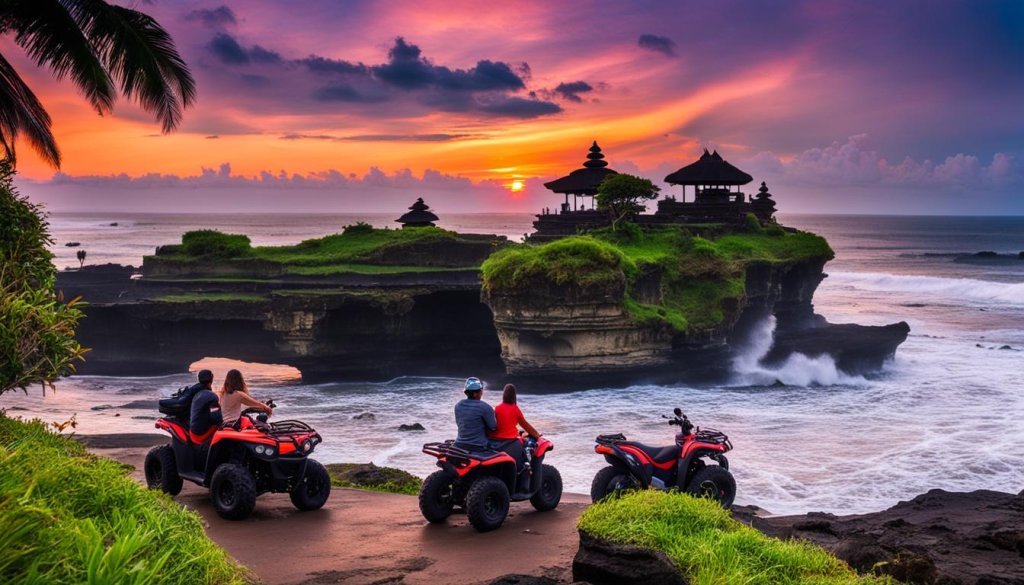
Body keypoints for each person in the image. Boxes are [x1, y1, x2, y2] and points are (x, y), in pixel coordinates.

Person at [489, 384, 540, 466]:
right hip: (511, 441)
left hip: (496, 441)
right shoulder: (515, 409)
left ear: (504, 395)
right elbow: (525, 425)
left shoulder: (497, 408)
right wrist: (537, 435)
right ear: (514, 396)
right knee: (528, 448)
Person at [454, 377, 496, 451]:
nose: (482, 392)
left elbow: (460, 424)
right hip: (479, 445)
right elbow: (493, 427)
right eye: (481, 390)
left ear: (465, 392)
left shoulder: (458, 405)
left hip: (459, 444)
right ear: (476, 393)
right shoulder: (485, 407)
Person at [188, 369, 221, 440]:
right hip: (200, 434)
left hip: (193, 429)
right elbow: (215, 416)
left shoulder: (197, 393)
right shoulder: (212, 396)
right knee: (222, 427)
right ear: (212, 379)